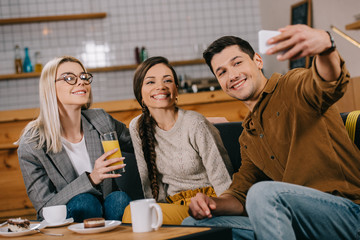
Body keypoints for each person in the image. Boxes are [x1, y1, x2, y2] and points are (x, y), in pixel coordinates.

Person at [182, 24, 360, 240]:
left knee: (264, 192)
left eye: (237, 63)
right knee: (192, 224)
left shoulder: (291, 86)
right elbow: (240, 196)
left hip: (346, 214)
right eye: (222, 72)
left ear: (258, 60)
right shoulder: (248, 136)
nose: (232, 75)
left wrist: (326, 47)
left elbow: (329, 83)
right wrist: (211, 204)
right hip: (293, 222)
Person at [17, 56, 133, 222]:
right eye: (70, 78)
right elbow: (44, 208)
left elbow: (137, 142)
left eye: (84, 77)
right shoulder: (31, 144)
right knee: (85, 202)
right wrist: (91, 179)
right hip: (69, 221)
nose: (81, 82)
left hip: (111, 210)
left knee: (119, 199)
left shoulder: (100, 119)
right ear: (50, 88)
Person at [122, 56, 233, 225]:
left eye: (167, 80)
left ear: (176, 90)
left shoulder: (195, 124)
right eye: (150, 82)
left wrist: (227, 213)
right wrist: (155, 216)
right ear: (140, 94)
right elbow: (149, 183)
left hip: (206, 205)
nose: (161, 86)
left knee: (133, 215)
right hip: (172, 207)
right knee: (136, 213)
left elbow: (223, 180)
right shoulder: (137, 126)